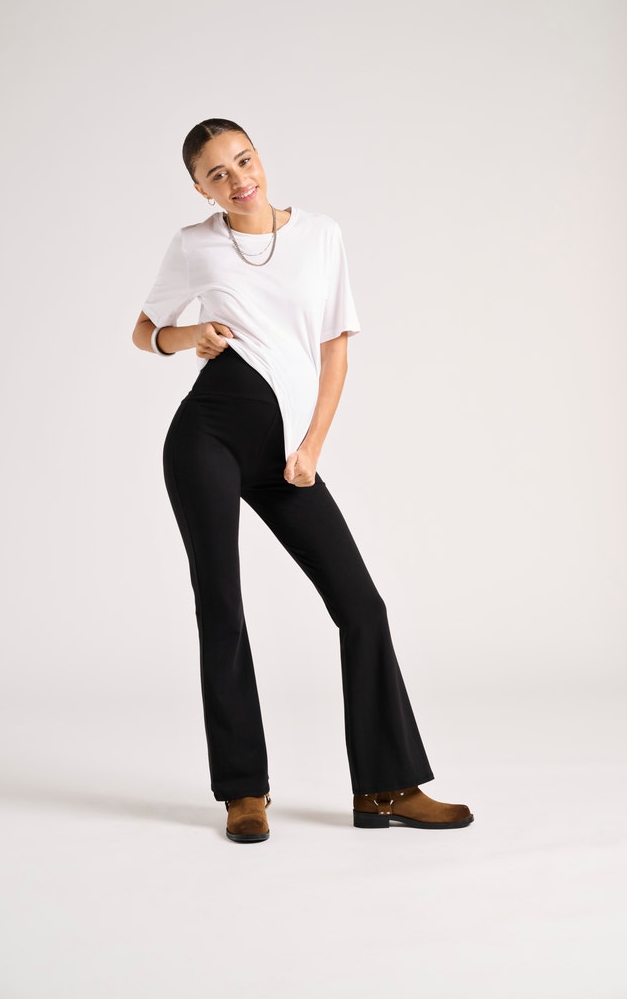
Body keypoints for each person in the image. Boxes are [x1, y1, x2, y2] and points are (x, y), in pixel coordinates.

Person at [132, 118, 473, 843]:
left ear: (259, 157)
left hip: (287, 452)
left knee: (362, 606)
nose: (238, 179)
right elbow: (145, 331)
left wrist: (312, 445)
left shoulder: (320, 235)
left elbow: (335, 348)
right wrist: (189, 336)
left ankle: (386, 787)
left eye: (243, 160)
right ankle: (243, 792)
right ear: (200, 188)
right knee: (221, 606)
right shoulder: (194, 245)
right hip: (207, 439)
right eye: (218, 174)